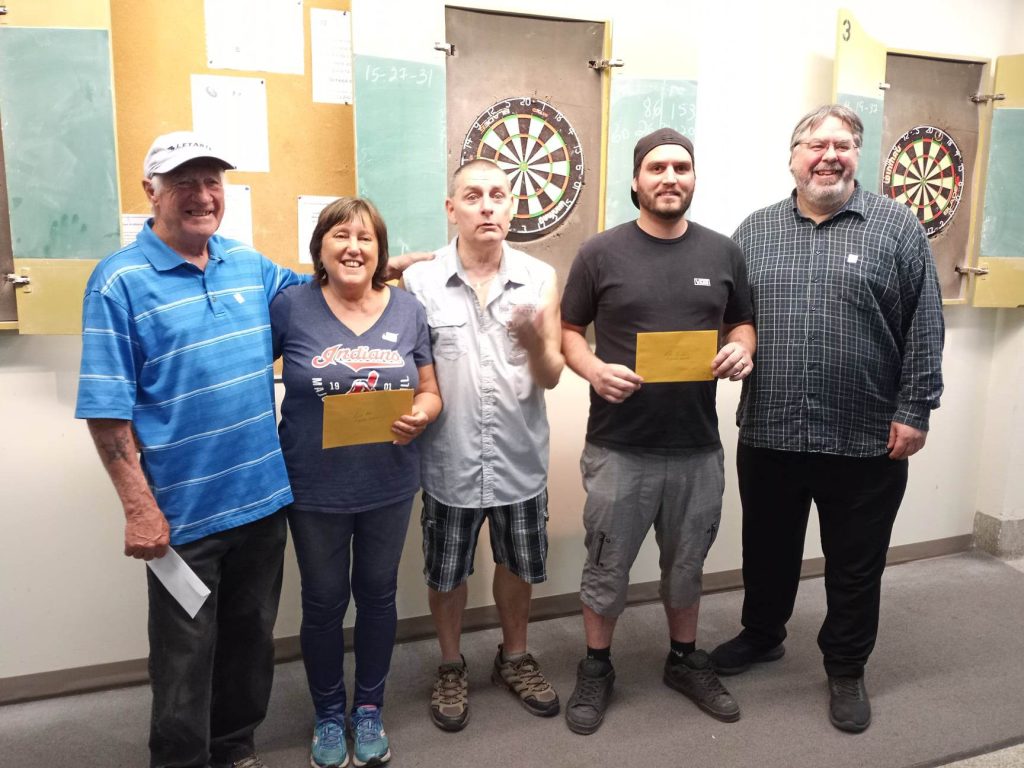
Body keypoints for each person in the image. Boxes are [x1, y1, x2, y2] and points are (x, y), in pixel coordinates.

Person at [710, 104, 945, 734]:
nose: (828, 156)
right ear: (792, 157)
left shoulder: (897, 229)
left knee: (855, 562)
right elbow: (731, 318)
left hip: (867, 435)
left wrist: (914, 408)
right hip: (772, 430)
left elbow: (925, 326)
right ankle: (762, 635)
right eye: (815, 145)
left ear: (857, 156)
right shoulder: (753, 233)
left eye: (842, 144)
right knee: (765, 550)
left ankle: (846, 666)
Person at [75, 131, 306, 768]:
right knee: (184, 659)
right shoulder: (117, 282)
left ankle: (234, 750)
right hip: (183, 520)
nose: (202, 196)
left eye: (212, 182)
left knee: (250, 643)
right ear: (151, 191)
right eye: (183, 183)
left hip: (263, 503)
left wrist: (394, 268)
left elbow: (325, 296)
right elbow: (106, 411)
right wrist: (139, 509)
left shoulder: (249, 265)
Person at [560, 128, 756, 735]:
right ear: (636, 181)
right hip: (620, 447)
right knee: (607, 565)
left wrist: (741, 350)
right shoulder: (600, 252)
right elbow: (568, 332)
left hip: (697, 446)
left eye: (681, 167)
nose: (670, 177)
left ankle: (681, 660)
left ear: (693, 179)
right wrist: (593, 368)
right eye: (657, 168)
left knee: (687, 565)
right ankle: (597, 667)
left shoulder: (723, 252)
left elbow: (743, 322)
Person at [270, 197, 441, 768]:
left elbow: (430, 389)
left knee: (377, 597)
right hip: (314, 487)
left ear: (380, 251)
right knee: (321, 603)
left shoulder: (408, 310)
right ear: (320, 247)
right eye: (340, 235)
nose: (353, 247)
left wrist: (423, 411)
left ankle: (368, 707)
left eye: (366, 238)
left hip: (388, 483)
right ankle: (326, 714)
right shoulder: (291, 308)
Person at [401, 158, 565, 732]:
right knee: (446, 572)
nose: (488, 205)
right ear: (453, 209)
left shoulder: (540, 278)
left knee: (517, 563)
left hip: (519, 459)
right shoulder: (420, 282)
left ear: (513, 207)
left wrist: (535, 342)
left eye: (499, 194)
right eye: (473, 196)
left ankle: (513, 657)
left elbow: (551, 375)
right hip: (449, 460)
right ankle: (451, 665)